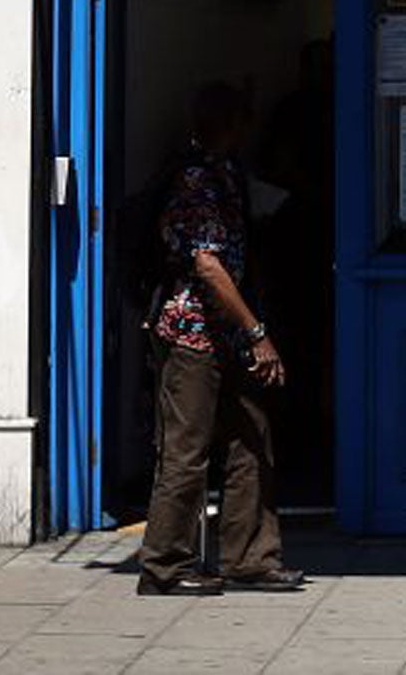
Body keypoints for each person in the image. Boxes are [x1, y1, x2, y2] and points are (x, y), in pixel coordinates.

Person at [137, 82, 307, 596]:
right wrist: (257, 332)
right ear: (232, 123)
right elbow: (207, 266)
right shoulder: (196, 182)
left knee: (251, 436)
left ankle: (249, 556)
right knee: (186, 451)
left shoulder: (226, 173)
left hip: (225, 336)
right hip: (192, 334)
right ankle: (164, 565)